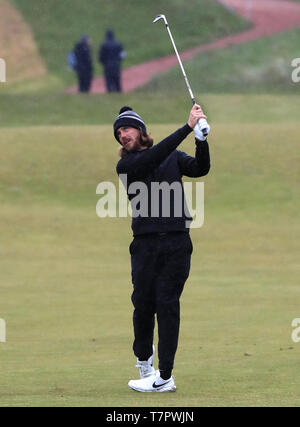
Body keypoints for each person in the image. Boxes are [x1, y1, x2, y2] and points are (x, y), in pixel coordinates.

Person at [113, 104, 211, 392]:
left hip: (176, 243)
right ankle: (144, 361)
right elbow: (152, 158)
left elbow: (199, 168)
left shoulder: (172, 156)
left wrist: (202, 141)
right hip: (144, 245)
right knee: (143, 306)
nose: (122, 134)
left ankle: (164, 376)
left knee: (168, 305)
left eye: (126, 128)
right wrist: (187, 128)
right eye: (118, 132)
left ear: (141, 131)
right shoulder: (126, 166)